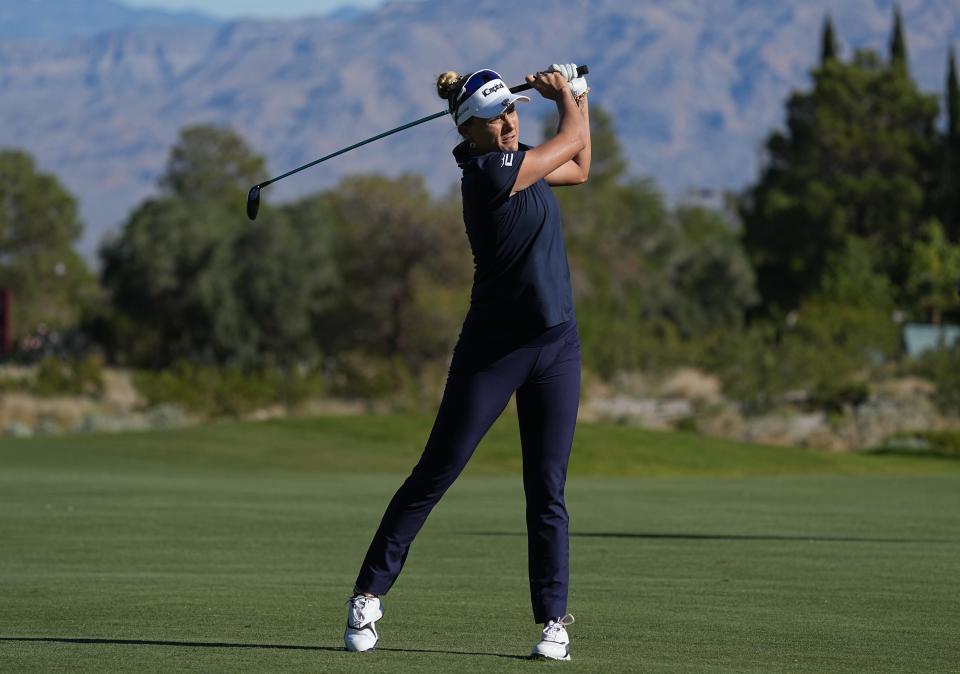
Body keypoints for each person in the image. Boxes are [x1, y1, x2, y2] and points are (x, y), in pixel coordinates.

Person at [343, 63, 591, 661]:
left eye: (509, 111)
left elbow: (579, 170)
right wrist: (572, 96)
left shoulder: (519, 159)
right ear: (468, 132)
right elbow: (574, 141)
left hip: (556, 345)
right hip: (494, 351)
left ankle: (552, 620)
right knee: (438, 469)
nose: (507, 123)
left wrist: (577, 100)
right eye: (492, 118)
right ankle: (367, 595)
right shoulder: (486, 174)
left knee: (547, 487)